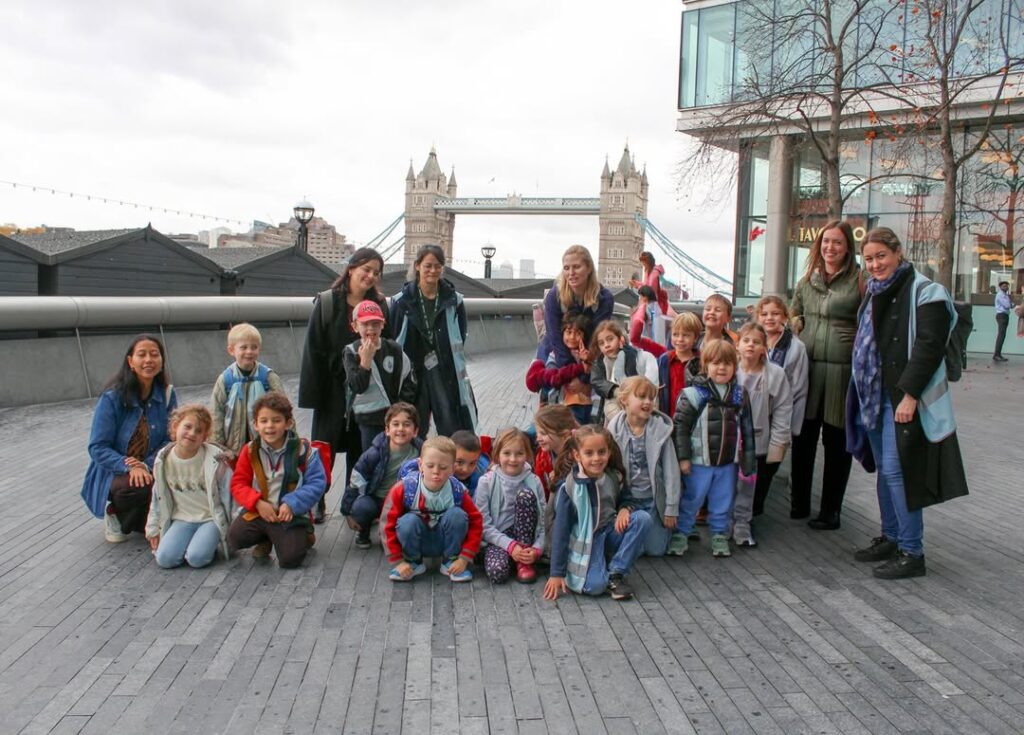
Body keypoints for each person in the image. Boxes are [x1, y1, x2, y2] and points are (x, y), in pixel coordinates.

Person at [847, 228, 968, 579]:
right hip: (872, 394)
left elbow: (928, 348)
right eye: (868, 259)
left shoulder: (926, 291)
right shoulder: (872, 291)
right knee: (885, 471)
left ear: (898, 252)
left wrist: (910, 396)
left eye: (881, 256)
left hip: (900, 397)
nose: (875, 264)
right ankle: (892, 536)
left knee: (898, 471)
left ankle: (912, 552)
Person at [299, 247, 389, 522]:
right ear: (351, 268)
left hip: (364, 389)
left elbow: (389, 346)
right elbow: (313, 350)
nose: (371, 276)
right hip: (333, 390)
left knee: (358, 448)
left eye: (376, 272)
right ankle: (316, 498)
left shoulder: (381, 305)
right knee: (323, 448)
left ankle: (352, 505)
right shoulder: (327, 303)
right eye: (366, 269)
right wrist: (314, 396)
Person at [789, 220, 863, 529]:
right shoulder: (807, 279)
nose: (830, 247)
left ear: (848, 247)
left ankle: (831, 510)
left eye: (837, 242)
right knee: (803, 438)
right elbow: (793, 310)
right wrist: (798, 325)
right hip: (808, 367)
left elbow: (873, 319)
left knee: (836, 442)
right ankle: (799, 502)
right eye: (825, 242)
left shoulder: (861, 280)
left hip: (841, 371)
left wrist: (856, 334)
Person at [81, 334, 177, 543]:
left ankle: (137, 519)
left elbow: (171, 438)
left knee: (170, 485)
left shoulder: (167, 394)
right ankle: (114, 511)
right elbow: (97, 447)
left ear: (162, 361)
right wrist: (129, 466)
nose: (148, 360)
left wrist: (146, 464)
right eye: (141, 355)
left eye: (154, 354)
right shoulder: (112, 397)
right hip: (114, 472)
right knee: (138, 487)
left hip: (150, 466)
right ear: (130, 362)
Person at [543, 425, 652, 601]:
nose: (596, 458)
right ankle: (599, 568)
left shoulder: (613, 477)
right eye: (589, 453)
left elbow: (628, 498)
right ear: (577, 455)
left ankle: (616, 573)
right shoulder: (570, 488)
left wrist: (625, 508)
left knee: (643, 519)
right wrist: (557, 573)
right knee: (594, 586)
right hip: (587, 541)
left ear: (609, 453)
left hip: (609, 531)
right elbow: (561, 532)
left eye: (601, 452)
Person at [672, 340, 756, 558]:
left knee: (723, 500)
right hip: (698, 462)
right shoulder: (692, 394)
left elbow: (747, 430)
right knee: (692, 498)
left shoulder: (739, 394)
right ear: (705, 365)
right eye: (716, 363)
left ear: (735, 366)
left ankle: (719, 534)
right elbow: (679, 428)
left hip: (728, 463)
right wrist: (683, 458)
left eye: (728, 363)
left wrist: (748, 461)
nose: (722, 368)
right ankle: (681, 532)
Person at [227, 392, 328, 569]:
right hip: (261, 511)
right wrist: (257, 503)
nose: (270, 426)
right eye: (264, 421)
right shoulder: (250, 450)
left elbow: (317, 483)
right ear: (255, 425)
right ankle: (267, 538)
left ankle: (304, 535)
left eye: (276, 420)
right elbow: (238, 484)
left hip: (290, 514)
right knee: (234, 538)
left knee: (290, 559)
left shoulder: (304, 450)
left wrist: (291, 503)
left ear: (288, 423)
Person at [390, 244, 478, 437]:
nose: (433, 270)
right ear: (417, 266)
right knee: (414, 420)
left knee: (449, 418)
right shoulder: (401, 301)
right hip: (412, 370)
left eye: (438, 266)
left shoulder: (454, 300)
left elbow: (460, 336)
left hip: (444, 368)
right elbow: (393, 336)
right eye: (428, 265)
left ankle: (451, 461)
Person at [382, 436, 483, 583]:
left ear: (453, 469)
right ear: (420, 464)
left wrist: (464, 558)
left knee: (457, 515)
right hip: (416, 541)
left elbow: (476, 521)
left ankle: (450, 560)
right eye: (430, 466)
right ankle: (412, 562)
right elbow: (386, 525)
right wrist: (397, 561)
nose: (436, 472)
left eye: (443, 467)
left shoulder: (458, 491)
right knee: (407, 521)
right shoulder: (403, 488)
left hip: (446, 542)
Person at [145, 405, 233, 569]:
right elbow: (157, 497)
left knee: (196, 558)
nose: (192, 433)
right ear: (175, 427)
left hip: (210, 519)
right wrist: (153, 529)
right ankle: (190, 544)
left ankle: (207, 545)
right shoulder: (163, 461)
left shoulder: (215, 461)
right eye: (187, 426)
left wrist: (232, 530)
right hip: (182, 519)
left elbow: (230, 493)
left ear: (205, 437)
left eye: (199, 431)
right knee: (165, 559)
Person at [607, 377, 684, 557]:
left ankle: (659, 531)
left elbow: (672, 472)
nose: (648, 402)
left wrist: (671, 508)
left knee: (655, 551)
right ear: (624, 400)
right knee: (634, 549)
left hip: (653, 500)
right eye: (641, 397)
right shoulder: (613, 431)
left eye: (651, 398)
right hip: (627, 501)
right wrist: (617, 508)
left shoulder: (661, 431)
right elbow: (609, 472)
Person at [733, 324, 792, 546]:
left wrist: (778, 446)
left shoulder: (776, 374)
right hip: (728, 444)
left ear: (764, 348)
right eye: (746, 340)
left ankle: (743, 524)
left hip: (758, 443)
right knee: (727, 486)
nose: (751, 345)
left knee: (749, 489)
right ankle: (724, 524)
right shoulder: (728, 369)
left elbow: (783, 411)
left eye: (756, 342)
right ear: (737, 345)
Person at [340, 402, 422, 549]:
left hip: (404, 501)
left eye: (407, 424)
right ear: (387, 430)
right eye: (395, 424)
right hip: (377, 499)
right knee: (362, 508)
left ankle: (397, 530)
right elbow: (356, 480)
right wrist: (347, 512)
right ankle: (363, 531)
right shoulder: (374, 454)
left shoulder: (421, 452)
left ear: (415, 431)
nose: (401, 429)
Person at [342, 300, 417, 450]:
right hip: (367, 420)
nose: (371, 329)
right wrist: (365, 362)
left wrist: (401, 408)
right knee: (373, 459)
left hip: (394, 417)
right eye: (365, 324)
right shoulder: (351, 351)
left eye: (375, 324)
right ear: (355, 326)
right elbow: (358, 386)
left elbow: (409, 379)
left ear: (383, 325)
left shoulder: (394, 349)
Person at [475, 428, 546, 584]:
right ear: (497, 454)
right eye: (507, 453)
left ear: (527, 455)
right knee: (497, 573)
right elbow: (483, 525)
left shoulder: (534, 481)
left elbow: (543, 521)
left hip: (526, 537)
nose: (513, 459)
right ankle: (508, 557)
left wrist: (537, 548)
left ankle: (523, 561)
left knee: (525, 495)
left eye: (519, 454)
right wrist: (510, 546)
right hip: (498, 538)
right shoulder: (486, 482)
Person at [210, 323, 285, 458]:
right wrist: (217, 446)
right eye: (243, 347)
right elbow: (216, 413)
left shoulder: (268, 377)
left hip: (266, 446)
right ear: (231, 350)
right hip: (234, 449)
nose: (249, 351)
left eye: (254, 347)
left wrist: (289, 440)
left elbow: (284, 409)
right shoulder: (225, 380)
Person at [542, 245, 615, 367]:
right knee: (546, 379)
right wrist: (570, 373)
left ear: (589, 268)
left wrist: (583, 377)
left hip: (589, 357)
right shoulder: (554, 296)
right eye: (566, 268)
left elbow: (596, 339)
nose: (571, 273)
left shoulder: (604, 299)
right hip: (557, 354)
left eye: (576, 267)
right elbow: (554, 337)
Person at [757, 295, 809, 444]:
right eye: (764, 314)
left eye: (775, 314)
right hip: (753, 417)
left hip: (780, 417)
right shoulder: (751, 342)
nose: (769, 318)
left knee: (771, 464)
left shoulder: (796, 347)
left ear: (785, 317)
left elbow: (799, 388)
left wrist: (793, 428)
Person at [526, 314, 593, 424]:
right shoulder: (555, 355)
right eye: (569, 332)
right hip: (557, 407)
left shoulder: (584, 354)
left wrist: (586, 360)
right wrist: (580, 367)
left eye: (578, 333)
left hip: (583, 404)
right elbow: (553, 378)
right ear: (562, 333)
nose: (572, 337)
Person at [589, 319, 659, 422]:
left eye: (610, 339)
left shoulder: (640, 357)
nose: (606, 345)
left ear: (620, 339)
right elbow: (597, 382)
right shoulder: (599, 363)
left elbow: (651, 386)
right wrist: (615, 390)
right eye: (601, 343)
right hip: (615, 412)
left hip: (642, 409)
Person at [658, 311, 702, 416]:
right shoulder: (664, 360)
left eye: (686, 335)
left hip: (691, 418)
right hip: (668, 415)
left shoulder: (701, 361)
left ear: (695, 338)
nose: (680, 339)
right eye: (675, 334)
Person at [451, 430, 491, 498]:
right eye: (459, 462)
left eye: (472, 463)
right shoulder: (442, 476)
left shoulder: (483, 472)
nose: (465, 469)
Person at [629, 286, 667, 357]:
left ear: (644, 298)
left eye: (639, 297)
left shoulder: (648, 309)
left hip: (648, 347)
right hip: (657, 347)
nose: (639, 300)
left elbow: (654, 324)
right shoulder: (657, 308)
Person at [994, 280, 1012, 361]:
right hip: (1002, 316)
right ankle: (996, 354)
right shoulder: (1001, 295)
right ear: (1000, 287)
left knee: (1002, 335)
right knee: (1001, 335)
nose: (1006, 287)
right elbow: (1008, 305)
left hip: (1004, 315)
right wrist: (1012, 304)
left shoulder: (1005, 295)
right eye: (1004, 286)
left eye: (1007, 286)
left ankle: (998, 354)